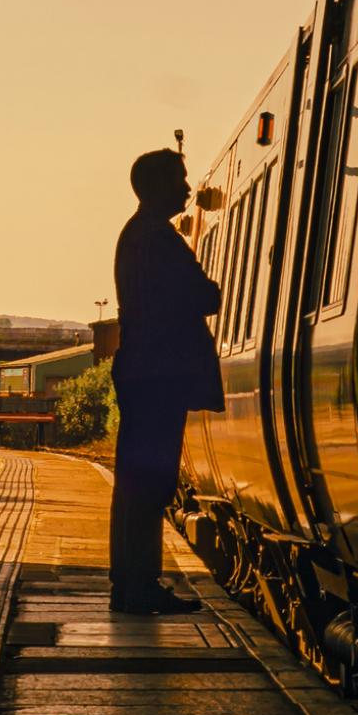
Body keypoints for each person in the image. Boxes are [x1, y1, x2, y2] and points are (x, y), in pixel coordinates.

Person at [108, 149, 223, 614]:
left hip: (146, 372)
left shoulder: (141, 235)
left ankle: (134, 583)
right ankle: (137, 586)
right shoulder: (155, 238)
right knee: (149, 483)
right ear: (155, 186)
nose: (188, 188)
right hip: (157, 374)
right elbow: (203, 294)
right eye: (179, 179)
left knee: (141, 483)